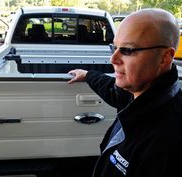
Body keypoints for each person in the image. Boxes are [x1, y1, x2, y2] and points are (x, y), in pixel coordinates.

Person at [68, 8, 182, 177]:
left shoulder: (167, 142)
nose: (113, 59)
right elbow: (112, 91)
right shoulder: (139, 94)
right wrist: (87, 75)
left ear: (164, 58)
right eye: (114, 47)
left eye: (127, 50)